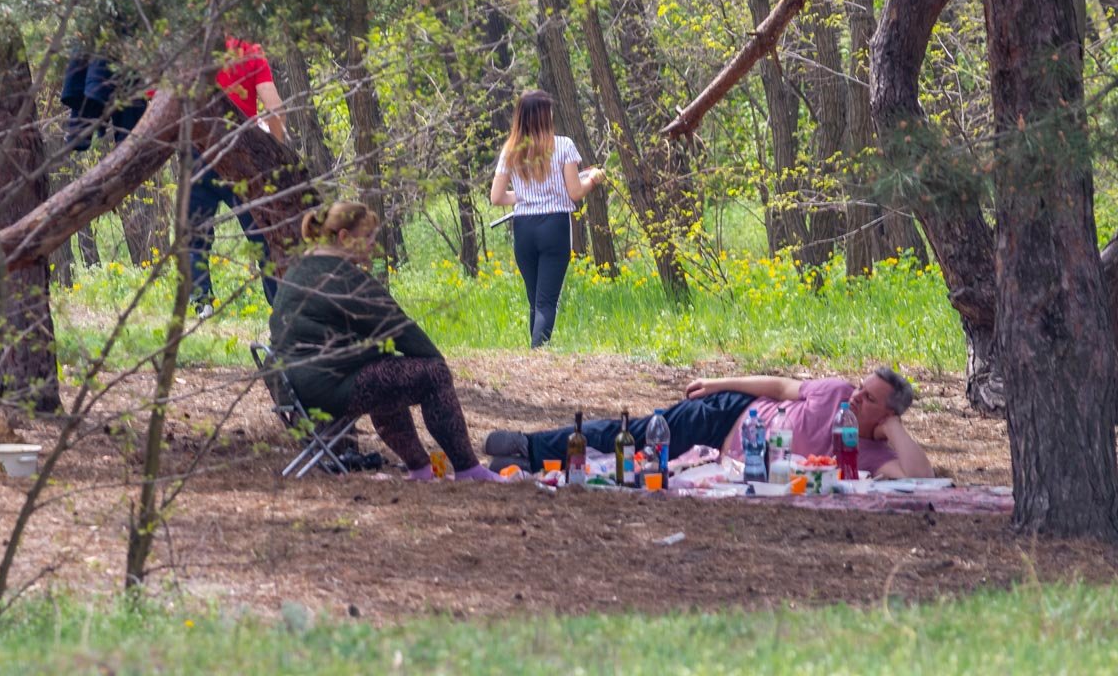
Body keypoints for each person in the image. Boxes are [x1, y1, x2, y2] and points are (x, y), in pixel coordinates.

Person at [269, 201, 502, 483]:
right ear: (343, 237)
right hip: (325, 388)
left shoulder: (301, 268)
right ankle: (468, 469)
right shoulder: (344, 277)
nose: (372, 247)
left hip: (293, 385)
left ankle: (420, 469)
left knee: (384, 373)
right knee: (433, 375)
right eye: (367, 238)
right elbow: (399, 327)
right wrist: (436, 361)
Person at [484, 368, 935, 480]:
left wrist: (890, 430)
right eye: (860, 387)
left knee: (642, 462)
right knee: (639, 435)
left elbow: (920, 477)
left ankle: (530, 460)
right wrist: (717, 383)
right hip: (727, 415)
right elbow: (779, 387)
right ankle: (529, 445)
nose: (855, 396)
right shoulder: (835, 389)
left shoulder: (878, 452)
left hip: (740, 461)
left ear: (889, 411)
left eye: (868, 397)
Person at [490, 89, 605, 348]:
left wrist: (524, 196)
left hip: (523, 228)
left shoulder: (510, 150)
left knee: (535, 301)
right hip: (554, 226)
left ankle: (534, 357)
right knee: (546, 302)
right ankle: (538, 355)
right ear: (545, 115)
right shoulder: (564, 145)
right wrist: (594, 179)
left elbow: (496, 197)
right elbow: (575, 192)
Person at [188, 34, 286, 317]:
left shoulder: (194, 52)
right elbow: (275, 109)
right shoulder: (251, 53)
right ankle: (278, 301)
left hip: (198, 153)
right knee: (259, 232)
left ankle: (201, 300)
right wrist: (276, 150)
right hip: (241, 153)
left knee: (195, 231)